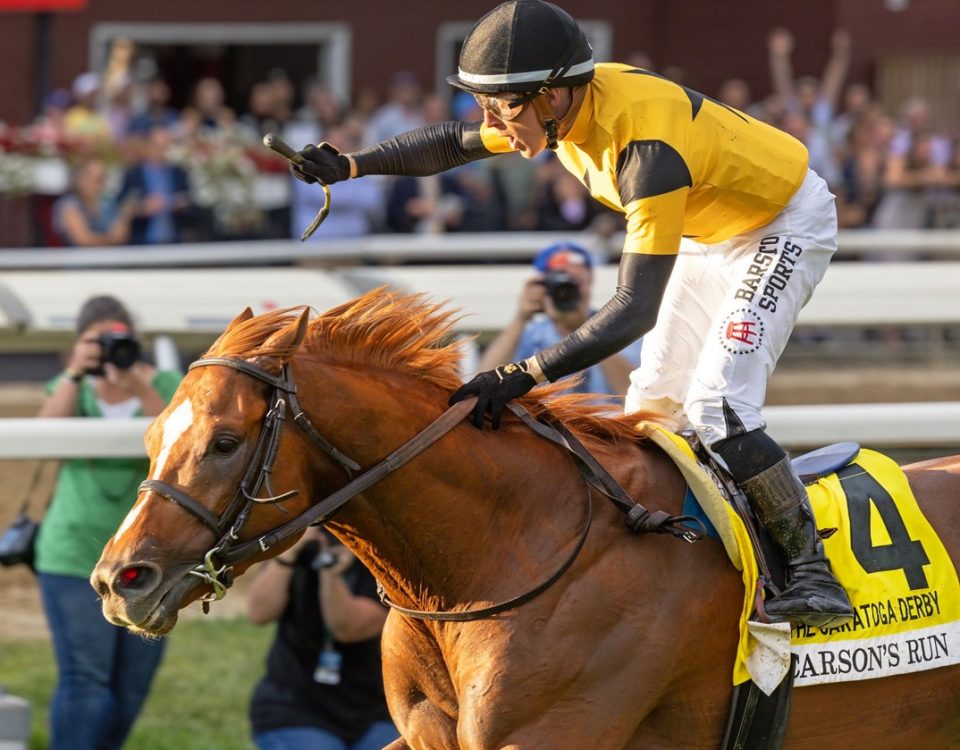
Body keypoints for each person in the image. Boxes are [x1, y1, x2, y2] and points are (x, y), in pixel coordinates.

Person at [289, 0, 854, 629]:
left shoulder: (645, 147)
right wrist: (352, 165)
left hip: (782, 225)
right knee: (652, 407)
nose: (489, 121)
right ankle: (682, 557)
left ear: (554, 97)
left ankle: (813, 574)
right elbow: (452, 144)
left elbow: (631, 311)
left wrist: (519, 375)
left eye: (499, 106)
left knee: (719, 406)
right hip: (711, 227)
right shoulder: (556, 104)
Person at [33, 295, 182, 750]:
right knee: (85, 679)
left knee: (130, 685)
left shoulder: (167, 382)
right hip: (72, 552)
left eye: (119, 340)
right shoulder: (70, 385)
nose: (110, 350)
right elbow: (44, 437)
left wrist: (138, 385)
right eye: (98, 342)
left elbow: (178, 444)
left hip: (146, 555)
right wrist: (76, 372)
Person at [247, 528, 399, 750]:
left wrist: (330, 572)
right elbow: (259, 613)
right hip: (294, 709)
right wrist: (288, 554)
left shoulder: (381, 561)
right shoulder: (301, 550)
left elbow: (347, 628)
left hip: (374, 711)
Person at [478, 242, 640, 400]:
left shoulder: (618, 327)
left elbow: (635, 392)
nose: (567, 290)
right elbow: (487, 383)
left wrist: (587, 332)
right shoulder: (531, 334)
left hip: (610, 422)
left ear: (590, 281)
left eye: (575, 281)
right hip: (547, 425)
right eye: (559, 283)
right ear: (542, 287)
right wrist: (521, 317)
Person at [52, 157, 136, 247]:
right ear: (79, 178)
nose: (98, 184)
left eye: (101, 178)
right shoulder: (68, 205)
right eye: (93, 178)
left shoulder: (109, 204)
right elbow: (83, 240)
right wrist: (110, 239)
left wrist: (124, 216)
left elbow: (121, 237)